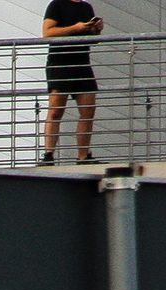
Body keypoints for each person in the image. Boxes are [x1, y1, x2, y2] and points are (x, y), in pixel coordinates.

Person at [40, 0, 102, 166]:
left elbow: (91, 38)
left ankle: (83, 156)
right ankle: (48, 155)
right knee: (56, 111)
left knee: (88, 110)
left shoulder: (86, 7)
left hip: (82, 62)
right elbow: (47, 32)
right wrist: (76, 28)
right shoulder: (57, 5)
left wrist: (95, 30)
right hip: (60, 62)